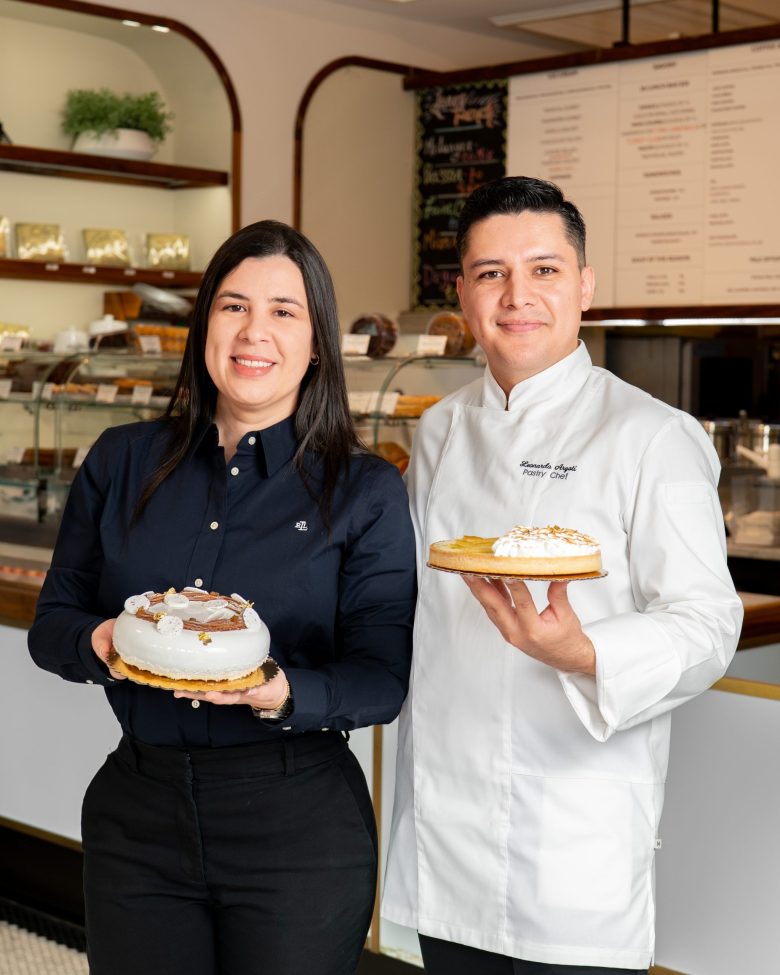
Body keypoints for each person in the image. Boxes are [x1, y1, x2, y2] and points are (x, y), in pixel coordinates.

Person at [28, 219, 416, 975]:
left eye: (284, 311)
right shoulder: (120, 460)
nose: (253, 331)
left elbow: (381, 679)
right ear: (205, 323)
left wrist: (279, 690)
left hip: (296, 824)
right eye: (233, 305)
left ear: (316, 342)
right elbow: (53, 625)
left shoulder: (364, 489)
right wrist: (104, 642)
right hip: (138, 813)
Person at [382, 176, 743, 973]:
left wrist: (585, 653)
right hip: (449, 839)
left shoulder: (652, 435)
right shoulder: (438, 433)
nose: (518, 296)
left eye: (544, 269)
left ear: (584, 285)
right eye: (491, 273)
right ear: (464, 295)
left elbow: (711, 623)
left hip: (573, 841)